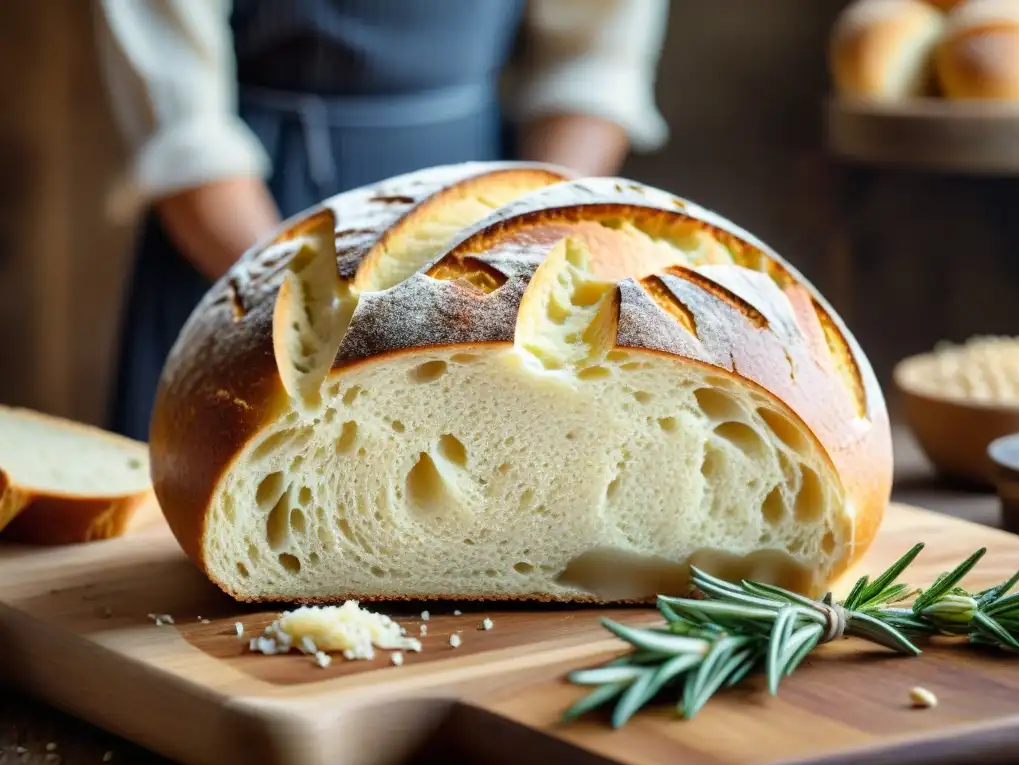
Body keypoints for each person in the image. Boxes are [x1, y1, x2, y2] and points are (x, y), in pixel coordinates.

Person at [95, 0, 670, 442]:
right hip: (238, 243)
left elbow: (592, 64)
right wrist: (318, 324)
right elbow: (187, 136)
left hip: (482, 208)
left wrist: (526, 253)